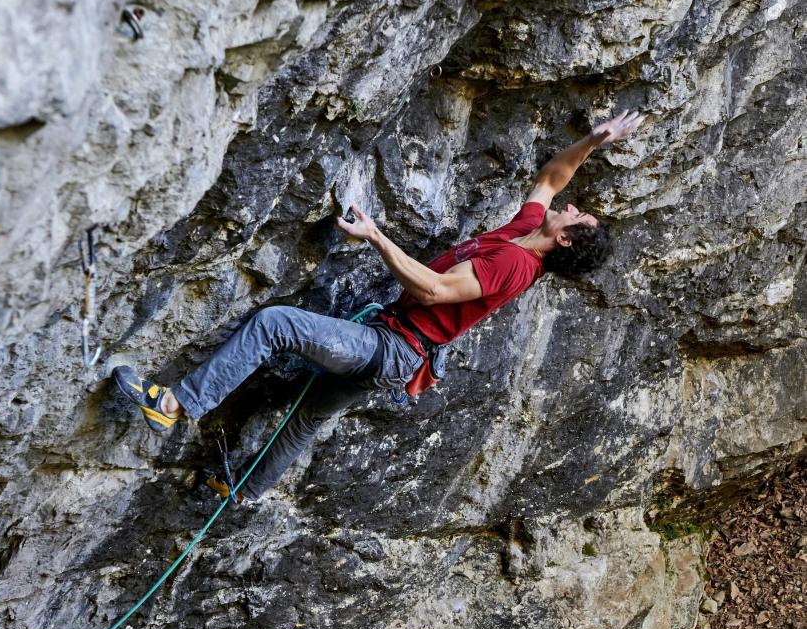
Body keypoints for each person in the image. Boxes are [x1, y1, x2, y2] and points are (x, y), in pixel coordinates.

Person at [113, 109, 644, 499]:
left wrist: (375, 236)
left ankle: (176, 404)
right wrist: (594, 140)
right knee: (302, 420)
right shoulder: (528, 230)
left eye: (578, 217)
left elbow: (433, 290)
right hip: (395, 349)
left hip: (390, 349)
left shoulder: (515, 266)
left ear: (567, 241)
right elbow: (553, 177)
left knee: (275, 324)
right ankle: (239, 492)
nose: (571, 207)